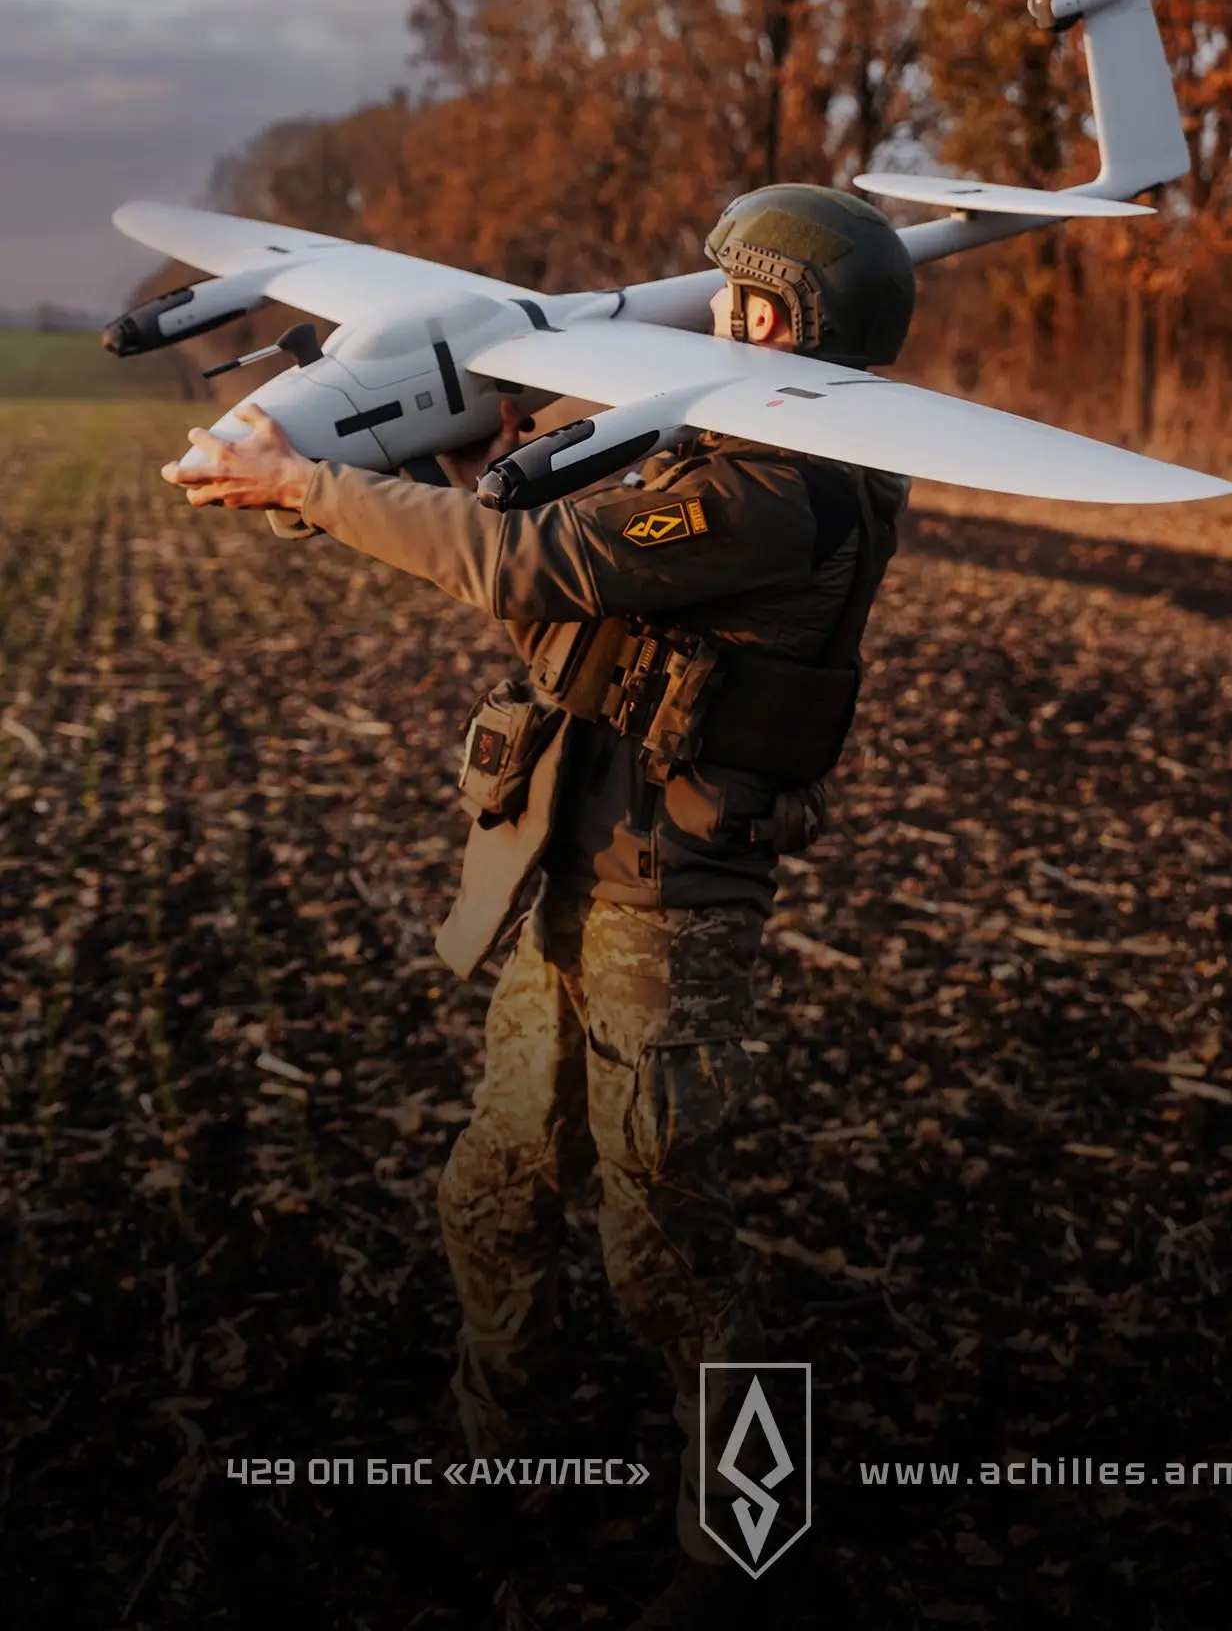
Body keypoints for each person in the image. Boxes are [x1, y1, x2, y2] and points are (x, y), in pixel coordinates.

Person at [162, 183, 917, 1627]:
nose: (721, 313)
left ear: (798, 323)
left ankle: (744, 1548)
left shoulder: (783, 484)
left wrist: (303, 482)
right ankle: (493, 1460)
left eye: (748, 299)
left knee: (668, 1250)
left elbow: (537, 561)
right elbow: (545, 603)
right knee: (497, 1193)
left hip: (669, 909)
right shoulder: (719, 439)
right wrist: (427, 483)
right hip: (575, 870)